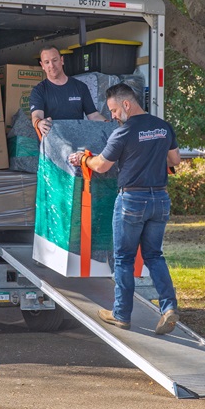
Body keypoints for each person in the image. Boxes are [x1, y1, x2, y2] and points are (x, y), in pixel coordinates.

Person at [68, 83, 181, 335]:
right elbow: (174, 161)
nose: (113, 116)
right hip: (160, 200)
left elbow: (101, 166)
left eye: (115, 110)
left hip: (132, 200)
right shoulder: (163, 127)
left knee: (124, 259)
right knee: (154, 256)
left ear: (127, 104)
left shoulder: (123, 132)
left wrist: (83, 158)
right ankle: (169, 307)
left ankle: (120, 314)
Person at [30, 45, 108, 137]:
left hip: (78, 143)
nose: (51, 65)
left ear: (62, 60)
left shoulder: (80, 87)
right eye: (47, 62)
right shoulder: (38, 91)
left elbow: (93, 115)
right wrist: (39, 123)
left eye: (55, 60)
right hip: (52, 144)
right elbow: (36, 116)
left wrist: (109, 124)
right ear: (42, 65)